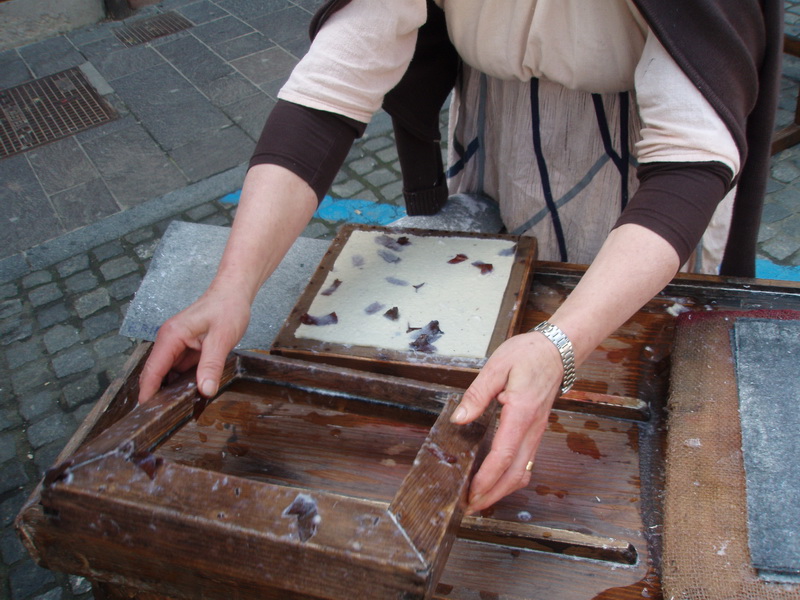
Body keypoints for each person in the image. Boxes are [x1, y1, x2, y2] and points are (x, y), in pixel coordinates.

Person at [138, 0, 782, 514]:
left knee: (619, 384)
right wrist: (232, 286)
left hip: (642, 161)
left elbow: (687, 162)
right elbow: (328, 94)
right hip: (498, 120)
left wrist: (559, 344)